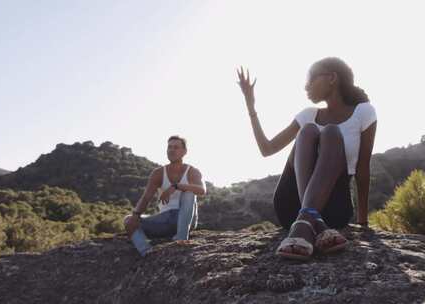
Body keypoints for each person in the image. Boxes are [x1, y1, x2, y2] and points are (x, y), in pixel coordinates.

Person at [236, 57, 377, 260]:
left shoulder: (364, 112)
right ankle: (311, 219)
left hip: (335, 207)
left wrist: (363, 223)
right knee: (309, 130)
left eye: (310, 79)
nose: (305, 87)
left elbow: (363, 169)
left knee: (331, 133)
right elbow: (267, 149)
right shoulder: (307, 115)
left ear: (332, 78)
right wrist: (251, 105)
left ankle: (307, 220)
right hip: (291, 204)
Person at [123, 135, 206, 255]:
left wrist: (176, 186)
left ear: (184, 152)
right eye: (169, 147)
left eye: (176, 147)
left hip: (185, 219)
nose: (172, 150)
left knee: (188, 193)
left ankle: (181, 238)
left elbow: (202, 190)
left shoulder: (192, 171)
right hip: (164, 220)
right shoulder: (158, 173)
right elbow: (146, 197)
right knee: (128, 219)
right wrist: (135, 215)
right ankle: (147, 253)